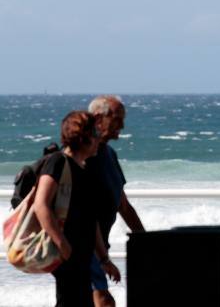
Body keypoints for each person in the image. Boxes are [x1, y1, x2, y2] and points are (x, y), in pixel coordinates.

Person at [33, 111, 121, 307]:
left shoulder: (86, 170)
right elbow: (41, 205)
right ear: (84, 138)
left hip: (83, 258)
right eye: (96, 135)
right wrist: (63, 245)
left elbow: (92, 221)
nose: (100, 140)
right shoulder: (58, 162)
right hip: (68, 258)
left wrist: (104, 260)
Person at [86, 96, 145, 307]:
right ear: (98, 118)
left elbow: (124, 206)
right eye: (117, 118)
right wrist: (102, 259)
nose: (122, 125)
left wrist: (146, 241)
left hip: (99, 248)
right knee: (104, 301)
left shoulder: (109, 155)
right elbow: (82, 212)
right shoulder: (82, 157)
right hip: (79, 250)